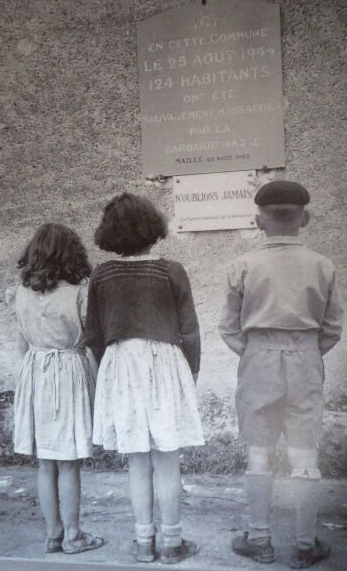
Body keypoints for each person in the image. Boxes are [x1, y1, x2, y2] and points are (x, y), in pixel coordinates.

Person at [219, 179, 343, 569]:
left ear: (259, 221)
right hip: (305, 355)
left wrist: (257, 351)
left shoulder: (243, 265)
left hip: (259, 358)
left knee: (259, 448)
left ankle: (259, 539)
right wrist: (304, 352)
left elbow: (228, 326)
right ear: (305, 218)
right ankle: (305, 544)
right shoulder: (322, 265)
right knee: (304, 450)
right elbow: (333, 327)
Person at [86, 192, 204, 564]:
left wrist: (112, 371)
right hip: (166, 364)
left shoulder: (103, 274)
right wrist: (191, 372)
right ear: (153, 228)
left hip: (122, 365)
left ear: (111, 232)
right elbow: (190, 332)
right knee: (167, 458)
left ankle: (143, 543)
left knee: (137, 459)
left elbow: (94, 335)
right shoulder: (171, 270)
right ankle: (171, 542)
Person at [9, 223, 105, 555]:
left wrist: (32, 376)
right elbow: (93, 338)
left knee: (45, 462)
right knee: (67, 462)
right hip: (67, 372)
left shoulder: (21, 293)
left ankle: (53, 533)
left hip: (34, 372)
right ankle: (74, 535)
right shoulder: (80, 291)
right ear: (71, 254)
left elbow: (22, 345)